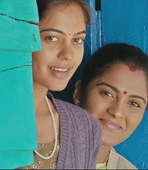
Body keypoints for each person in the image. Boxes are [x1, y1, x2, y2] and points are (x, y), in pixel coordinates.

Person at [19, 0, 101, 169]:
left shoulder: (84, 128)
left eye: (78, 40)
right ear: (21, 35)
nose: (67, 54)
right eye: (53, 38)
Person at [73, 43, 148, 169]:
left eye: (134, 103)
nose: (117, 112)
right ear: (79, 92)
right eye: (107, 94)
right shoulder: (38, 155)